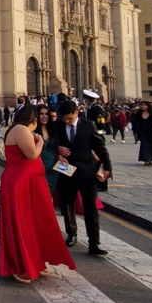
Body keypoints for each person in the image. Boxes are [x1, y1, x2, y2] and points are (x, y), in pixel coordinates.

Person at [0, 104, 76, 283]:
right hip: (21, 184)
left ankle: (33, 262)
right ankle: (19, 265)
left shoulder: (20, 129)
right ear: (31, 119)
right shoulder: (21, 130)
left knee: (31, 224)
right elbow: (32, 155)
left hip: (28, 183)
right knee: (22, 225)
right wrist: (39, 141)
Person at [51, 97, 110, 255]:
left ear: (77, 113)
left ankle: (94, 243)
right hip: (66, 171)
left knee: (91, 209)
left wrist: (107, 167)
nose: (67, 122)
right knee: (67, 205)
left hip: (87, 173)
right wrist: (58, 149)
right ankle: (71, 234)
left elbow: (100, 147)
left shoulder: (88, 125)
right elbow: (50, 143)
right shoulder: (57, 125)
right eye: (64, 119)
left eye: (70, 118)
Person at [35, 104, 60, 199]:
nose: (44, 116)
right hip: (38, 167)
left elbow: (56, 147)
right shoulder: (32, 130)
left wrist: (59, 155)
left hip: (53, 168)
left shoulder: (53, 129)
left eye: (46, 114)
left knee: (49, 195)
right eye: (41, 114)